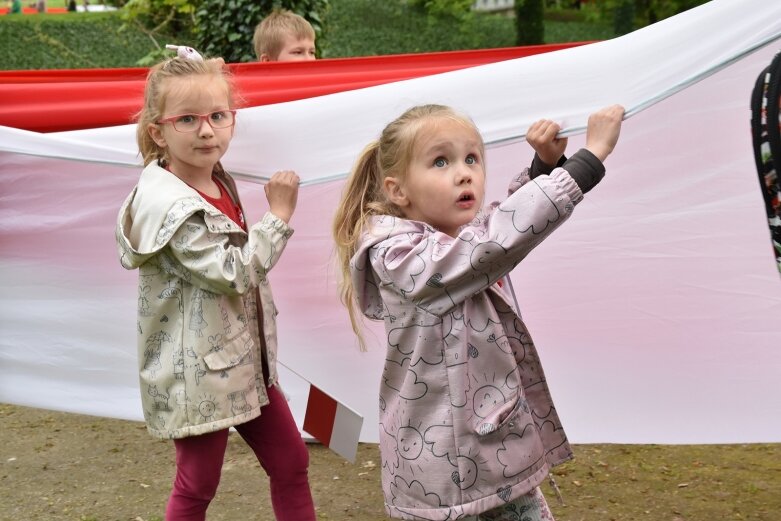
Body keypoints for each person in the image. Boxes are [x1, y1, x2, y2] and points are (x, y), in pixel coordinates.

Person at [333, 103, 624, 520]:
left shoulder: (456, 239)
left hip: (489, 455)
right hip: (447, 480)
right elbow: (498, 239)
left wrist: (544, 166)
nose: (464, 172)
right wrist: (588, 161)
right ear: (398, 191)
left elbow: (500, 223)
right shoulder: (400, 257)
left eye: (471, 158)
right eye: (440, 161)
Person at [115, 48, 316, 521]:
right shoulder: (172, 207)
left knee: (292, 462)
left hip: (243, 362)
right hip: (198, 376)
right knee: (197, 484)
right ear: (157, 132)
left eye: (218, 116)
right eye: (187, 119)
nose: (206, 130)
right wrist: (279, 216)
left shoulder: (215, 179)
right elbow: (235, 273)